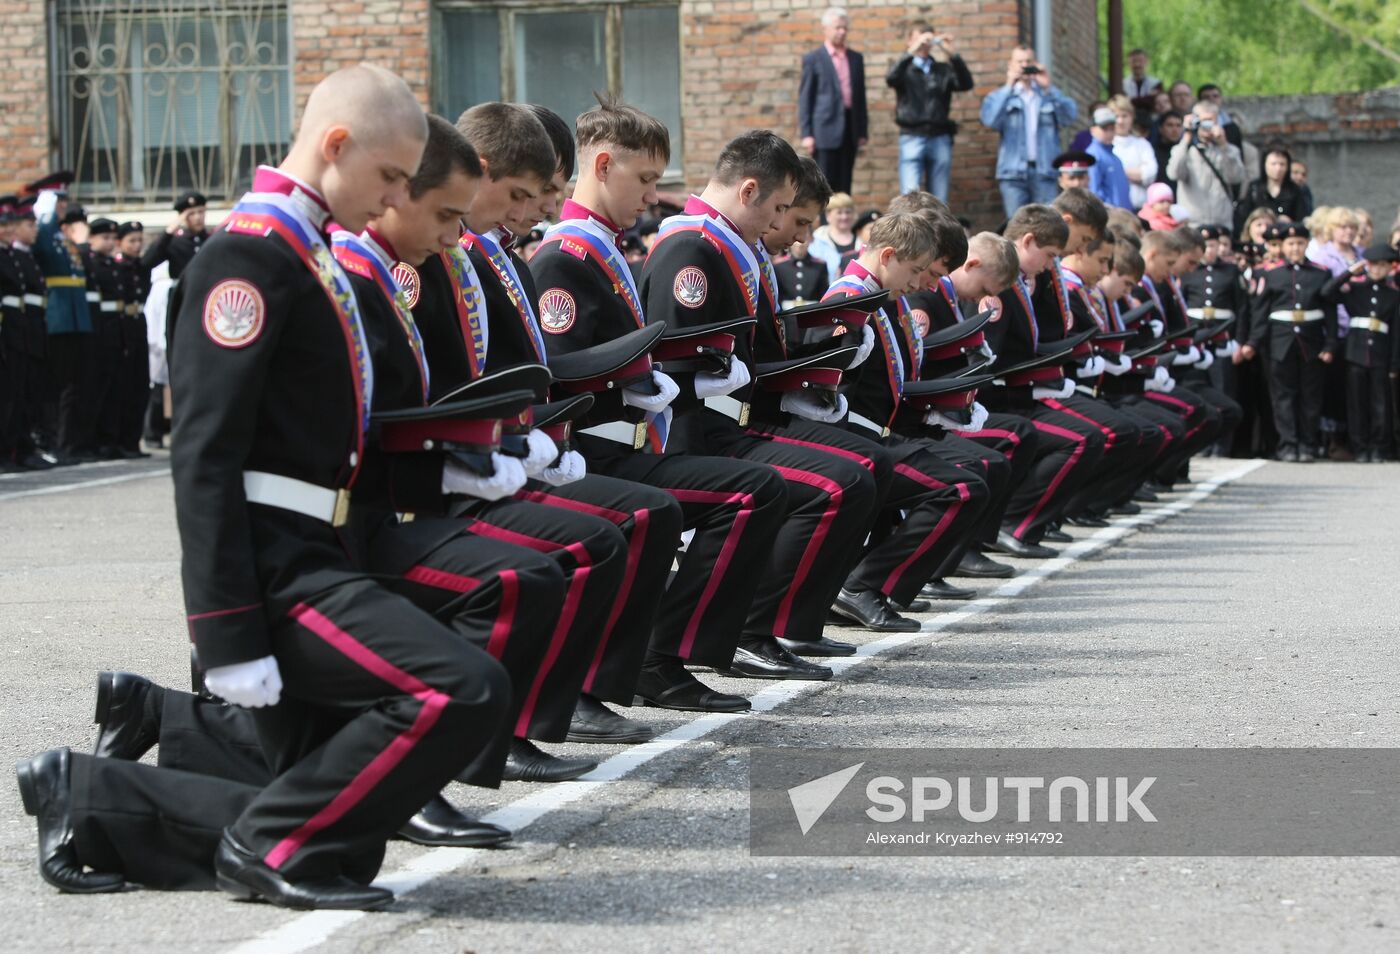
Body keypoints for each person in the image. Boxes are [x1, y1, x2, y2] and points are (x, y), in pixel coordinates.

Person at [1242, 222, 1335, 461]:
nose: (1295, 248)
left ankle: (1307, 444)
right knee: (1283, 395)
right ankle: (1288, 444)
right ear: (1282, 246)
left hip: (1312, 340)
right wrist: (1253, 342)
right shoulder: (1271, 274)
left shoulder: (1321, 273)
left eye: (1300, 243)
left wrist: (1330, 344)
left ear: (1307, 244)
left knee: (1310, 395)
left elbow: (1330, 312)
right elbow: (1261, 313)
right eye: (1290, 243)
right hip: (1280, 341)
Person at [1321, 244, 1400, 461]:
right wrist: (1349, 273)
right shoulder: (1356, 289)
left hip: (1381, 353)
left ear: (1390, 268)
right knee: (1356, 403)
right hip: (1355, 352)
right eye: (1373, 265)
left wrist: (1394, 363)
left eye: (1382, 265)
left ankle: (1378, 446)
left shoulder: (1393, 295)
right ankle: (1360, 446)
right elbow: (1327, 293)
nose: (1377, 269)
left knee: (1380, 403)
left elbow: (1396, 333)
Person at [979, 46, 1078, 216]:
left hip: (1045, 172)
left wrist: (1048, 87)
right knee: (1016, 223)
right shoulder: (1001, 96)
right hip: (1013, 174)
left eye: (1028, 61)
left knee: (1047, 223)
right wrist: (1009, 85)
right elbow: (989, 120)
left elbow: (1070, 116)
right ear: (1011, 65)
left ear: (1036, 64)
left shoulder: (1047, 95)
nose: (1024, 66)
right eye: (1020, 62)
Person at [885, 21, 974, 200]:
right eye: (919, 39)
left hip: (939, 135)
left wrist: (952, 54)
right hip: (912, 135)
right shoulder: (905, 68)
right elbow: (891, 78)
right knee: (910, 197)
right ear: (909, 40)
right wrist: (911, 51)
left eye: (927, 40)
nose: (924, 45)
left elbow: (966, 83)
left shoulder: (942, 70)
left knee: (939, 198)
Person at [798, 7, 867, 194]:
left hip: (850, 128)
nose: (842, 32)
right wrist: (807, 134)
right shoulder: (814, 59)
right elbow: (806, 98)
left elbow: (860, 97)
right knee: (824, 184)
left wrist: (862, 131)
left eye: (845, 28)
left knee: (846, 183)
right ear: (825, 29)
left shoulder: (856, 58)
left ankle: (843, 214)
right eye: (837, 28)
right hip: (824, 129)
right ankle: (826, 215)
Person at [1166, 101, 1245, 229]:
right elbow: (1173, 174)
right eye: (1203, 121)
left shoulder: (1229, 150)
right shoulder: (1185, 150)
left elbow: (1236, 177)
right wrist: (1186, 136)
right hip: (1193, 224)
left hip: (1221, 223)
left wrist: (1224, 145)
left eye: (1211, 121)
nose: (1207, 125)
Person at [1237, 144, 1307, 236]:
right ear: (1265, 165)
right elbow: (1244, 216)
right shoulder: (1255, 188)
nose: (1278, 168)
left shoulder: (1294, 190)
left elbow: (1302, 219)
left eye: (1282, 164)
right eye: (1273, 164)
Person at [140, 190, 210, 279]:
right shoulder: (174, 242)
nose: (197, 217)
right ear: (182, 217)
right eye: (191, 214)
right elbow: (147, 262)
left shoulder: (211, 239)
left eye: (201, 212)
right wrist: (168, 232)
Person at [1109, 95, 1157, 209]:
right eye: (1116, 116)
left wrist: (1118, 172)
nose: (1120, 121)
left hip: (1140, 207)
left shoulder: (1142, 144)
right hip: (1114, 208)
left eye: (1124, 116)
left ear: (1132, 117)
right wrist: (1136, 174)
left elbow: (1151, 173)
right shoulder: (1106, 144)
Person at [1085, 106, 1132, 210]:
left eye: (1112, 128)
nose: (1110, 133)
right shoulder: (1092, 156)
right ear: (1093, 130)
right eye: (1105, 129)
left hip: (1122, 215)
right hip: (1108, 215)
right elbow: (1093, 191)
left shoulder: (1115, 158)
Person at [808, 191, 858, 283]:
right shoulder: (816, 241)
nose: (844, 217)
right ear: (828, 215)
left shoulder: (861, 241)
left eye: (848, 212)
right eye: (839, 212)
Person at [1152, 109, 1184, 190]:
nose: (1175, 130)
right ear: (1160, 128)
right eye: (1170, 125)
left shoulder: (1187, 150)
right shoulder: (1151, 152)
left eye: (1178, 125)